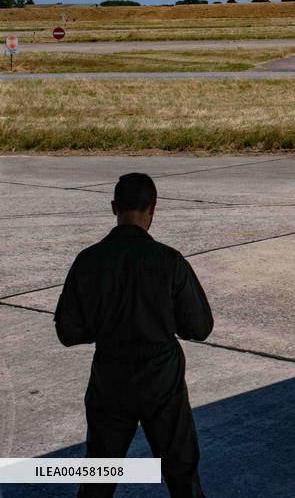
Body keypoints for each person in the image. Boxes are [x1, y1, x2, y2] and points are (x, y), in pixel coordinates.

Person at [55, 173, 213, 498]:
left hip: (110, 381)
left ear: (114, 207)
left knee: (98, 477)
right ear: (153, 208)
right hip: (162, 384)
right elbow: (199, 327)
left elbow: (67, 332)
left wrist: (106, 325)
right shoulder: (169, 261)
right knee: (182, 475)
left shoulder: (88, 261)